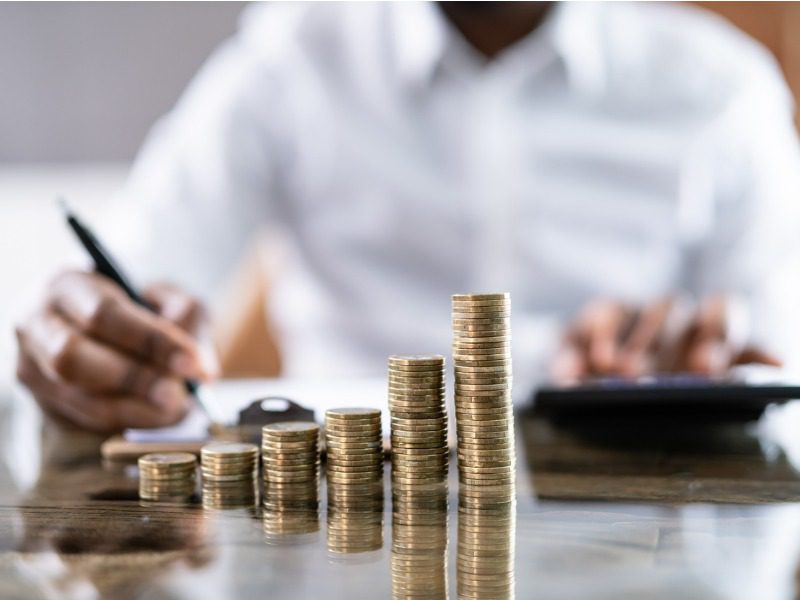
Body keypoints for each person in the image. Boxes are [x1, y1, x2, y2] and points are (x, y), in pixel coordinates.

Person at [15, 2, 800, 432]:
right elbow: (131, 285)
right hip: (341, 524)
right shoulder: (289, 58)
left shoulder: (722, 90)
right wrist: (86, 340)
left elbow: (774, 352)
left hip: (642, 531)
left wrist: (689, 366)